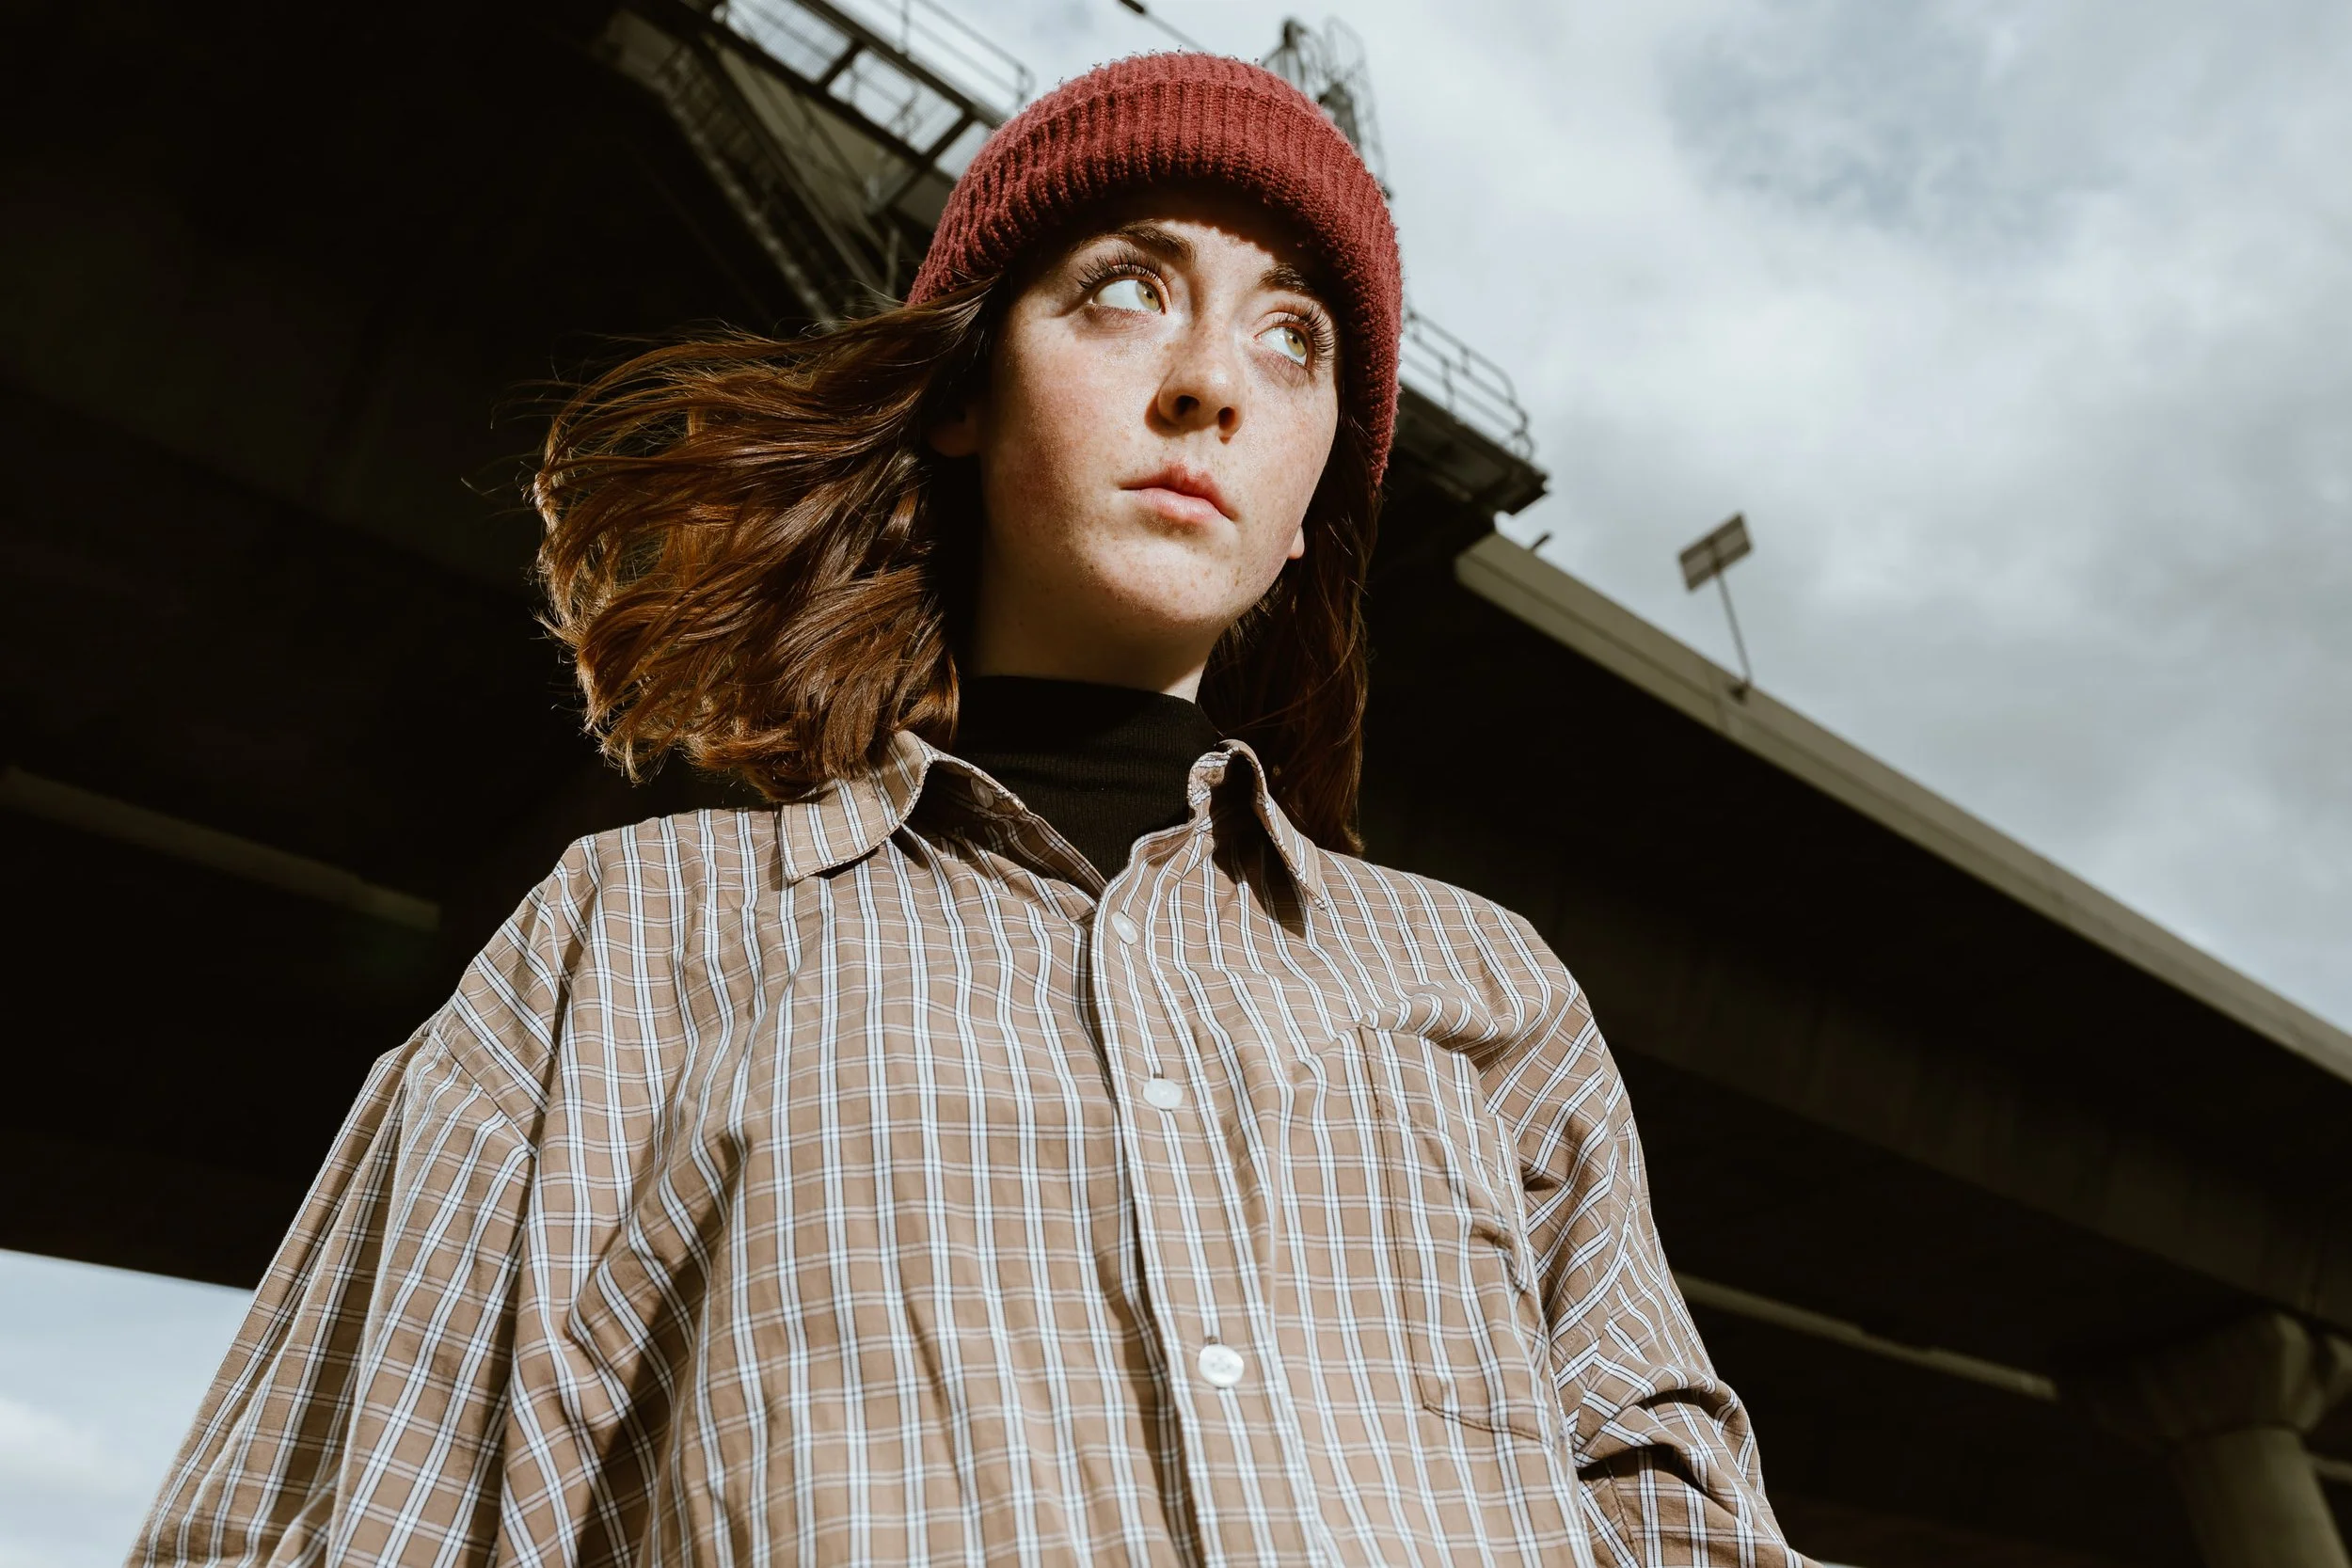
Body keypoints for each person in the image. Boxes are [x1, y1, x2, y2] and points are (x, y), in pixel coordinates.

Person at [131, 52, 1806, 1568]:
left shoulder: (1487, 990)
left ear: (1309, 508)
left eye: (1292, 336)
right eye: (1124, 292)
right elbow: (331, 1521)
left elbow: (1684, 1525)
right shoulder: (634, 942)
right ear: (963, 393)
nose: (1211, 380)